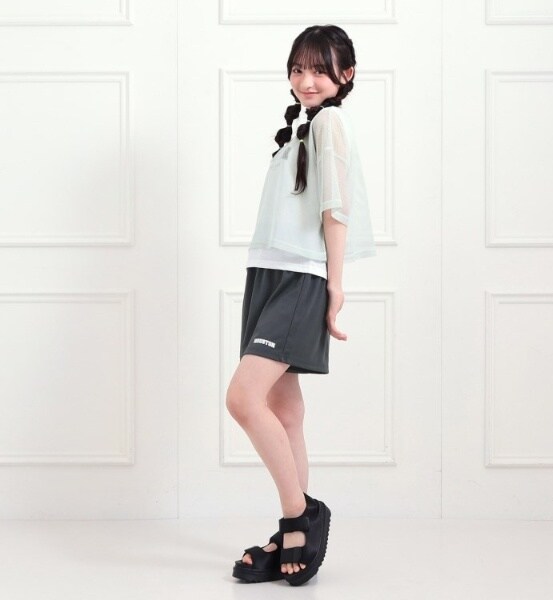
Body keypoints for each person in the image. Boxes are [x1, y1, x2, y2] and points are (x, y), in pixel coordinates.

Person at [226, 24, 376, 586]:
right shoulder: (302, 126)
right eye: (298, 68)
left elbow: (335, 208)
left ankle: (300, 517)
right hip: (269, 271)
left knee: (243, 399)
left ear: (346, 74)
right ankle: (290, 527)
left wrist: (334, 285)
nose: (306, 80)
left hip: (300, 277)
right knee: (283, 410)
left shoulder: (330, 122)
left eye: (319, 69)